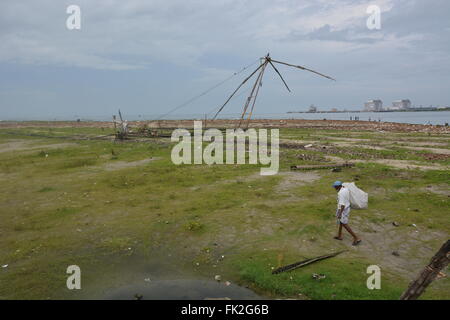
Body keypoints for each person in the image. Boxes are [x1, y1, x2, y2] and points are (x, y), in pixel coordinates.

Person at [332, 181, 361, 246]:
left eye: (335, 187)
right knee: (341, 222)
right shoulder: (345, 189)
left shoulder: (341, 193)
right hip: (346, 208)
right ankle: (339, 236)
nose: (334, 188)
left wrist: (339, 214)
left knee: (344, 224)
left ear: (338, 186)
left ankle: (356, 238)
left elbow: (342, 205)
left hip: (343, 210)